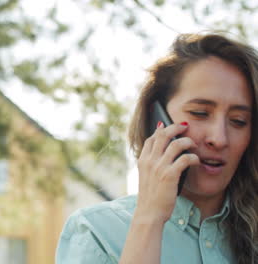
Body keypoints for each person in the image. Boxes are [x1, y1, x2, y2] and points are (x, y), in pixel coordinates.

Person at [56, 33, 258, 264]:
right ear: (157, 118)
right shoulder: (96, 232)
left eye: (239, 121)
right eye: (200, 113)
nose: (219, 138)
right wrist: (150, 218)